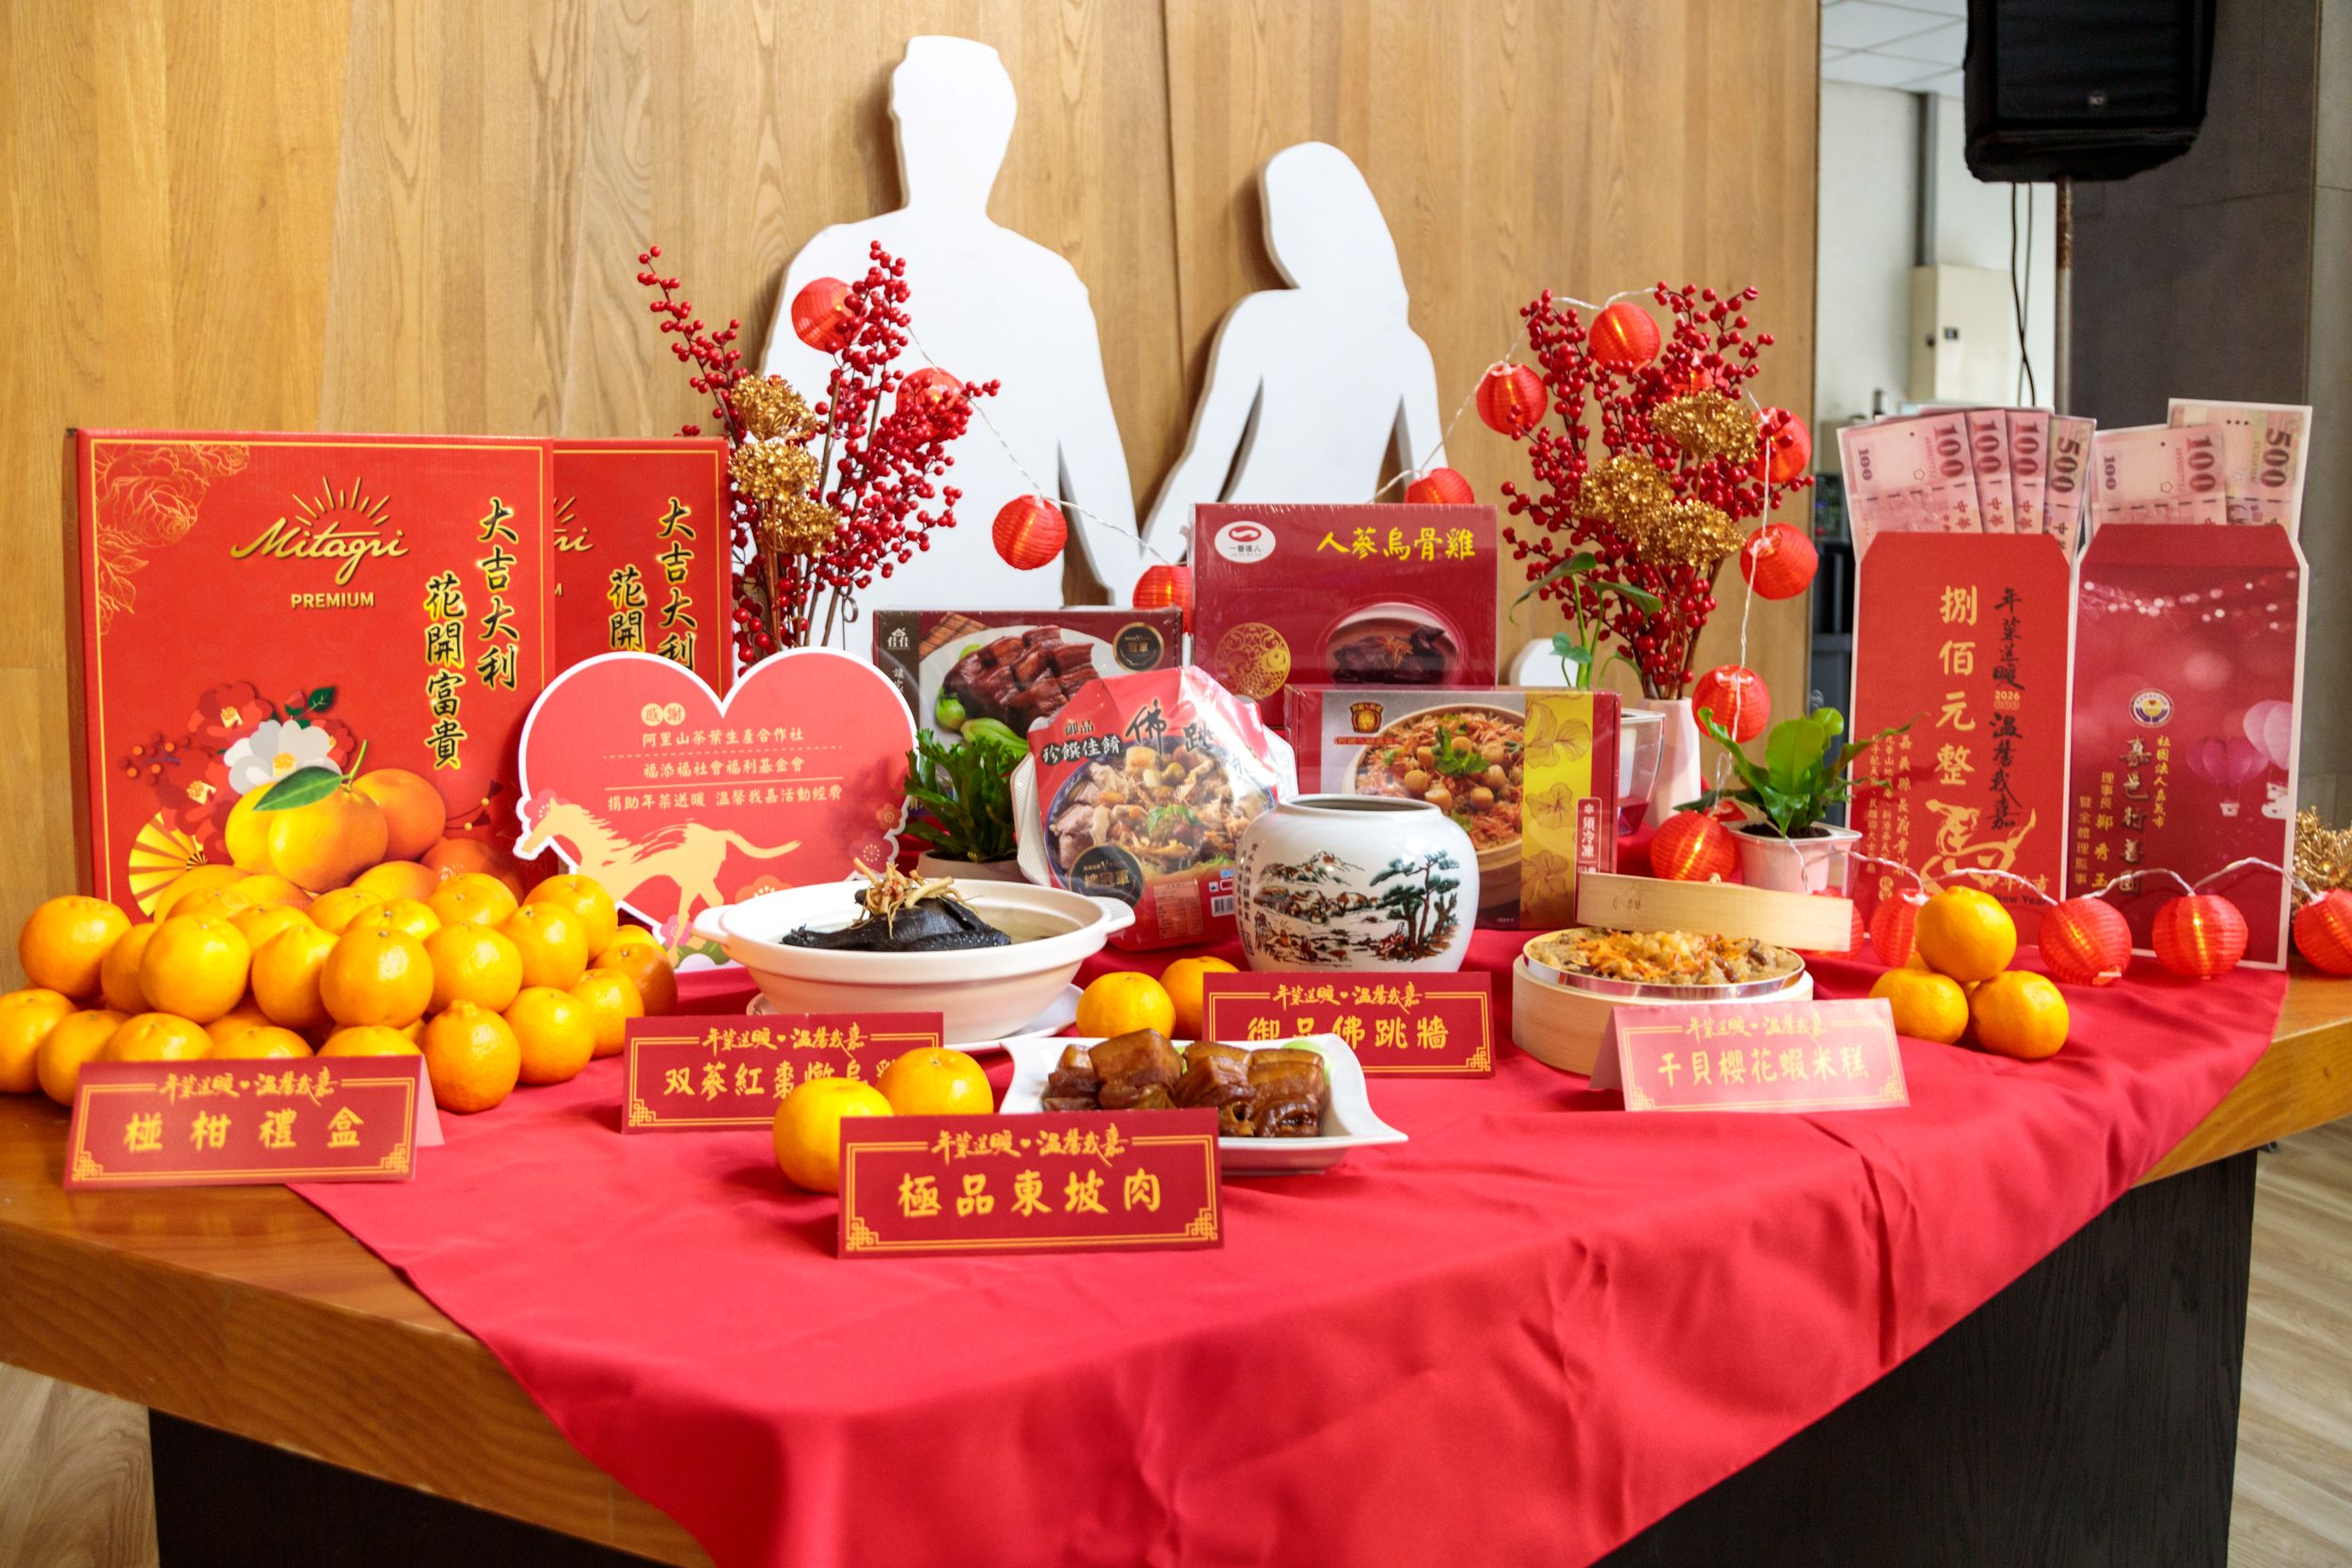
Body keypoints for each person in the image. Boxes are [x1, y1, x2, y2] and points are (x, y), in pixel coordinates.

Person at [763, 36, 1143, 624]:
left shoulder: (1048, 281)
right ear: (903, 130)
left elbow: (1092, 452)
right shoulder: (840, 261)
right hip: (854, 609)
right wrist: (756, 597)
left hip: (1002, 617)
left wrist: (1136, 598)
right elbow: (774, 445)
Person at [1139, 141, 1447, 567]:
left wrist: (1145, 576)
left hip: (1243, 557)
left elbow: (1204, 467)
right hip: (1342, 566)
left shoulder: (1260, 320)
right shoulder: (1407, 351)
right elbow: (1439, 494)